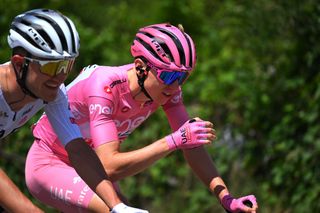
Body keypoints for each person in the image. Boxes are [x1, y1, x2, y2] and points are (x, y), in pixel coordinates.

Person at [25, 23, 259, 212]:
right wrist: (173, 141)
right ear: (140, 67)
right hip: (50, 162)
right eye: (168, 76)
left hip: (90, 167)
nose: (176, 85)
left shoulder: (167, 91)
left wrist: (226, 198)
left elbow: (193, 148)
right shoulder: (104, 86)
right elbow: (110, 166)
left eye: (183, 77)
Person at [0, 8, 148, 213]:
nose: (60, 77)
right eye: (51, 67)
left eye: (66, 66)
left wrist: (117, 206)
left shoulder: (53, 92)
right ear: (19, 63)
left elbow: (77, 149)